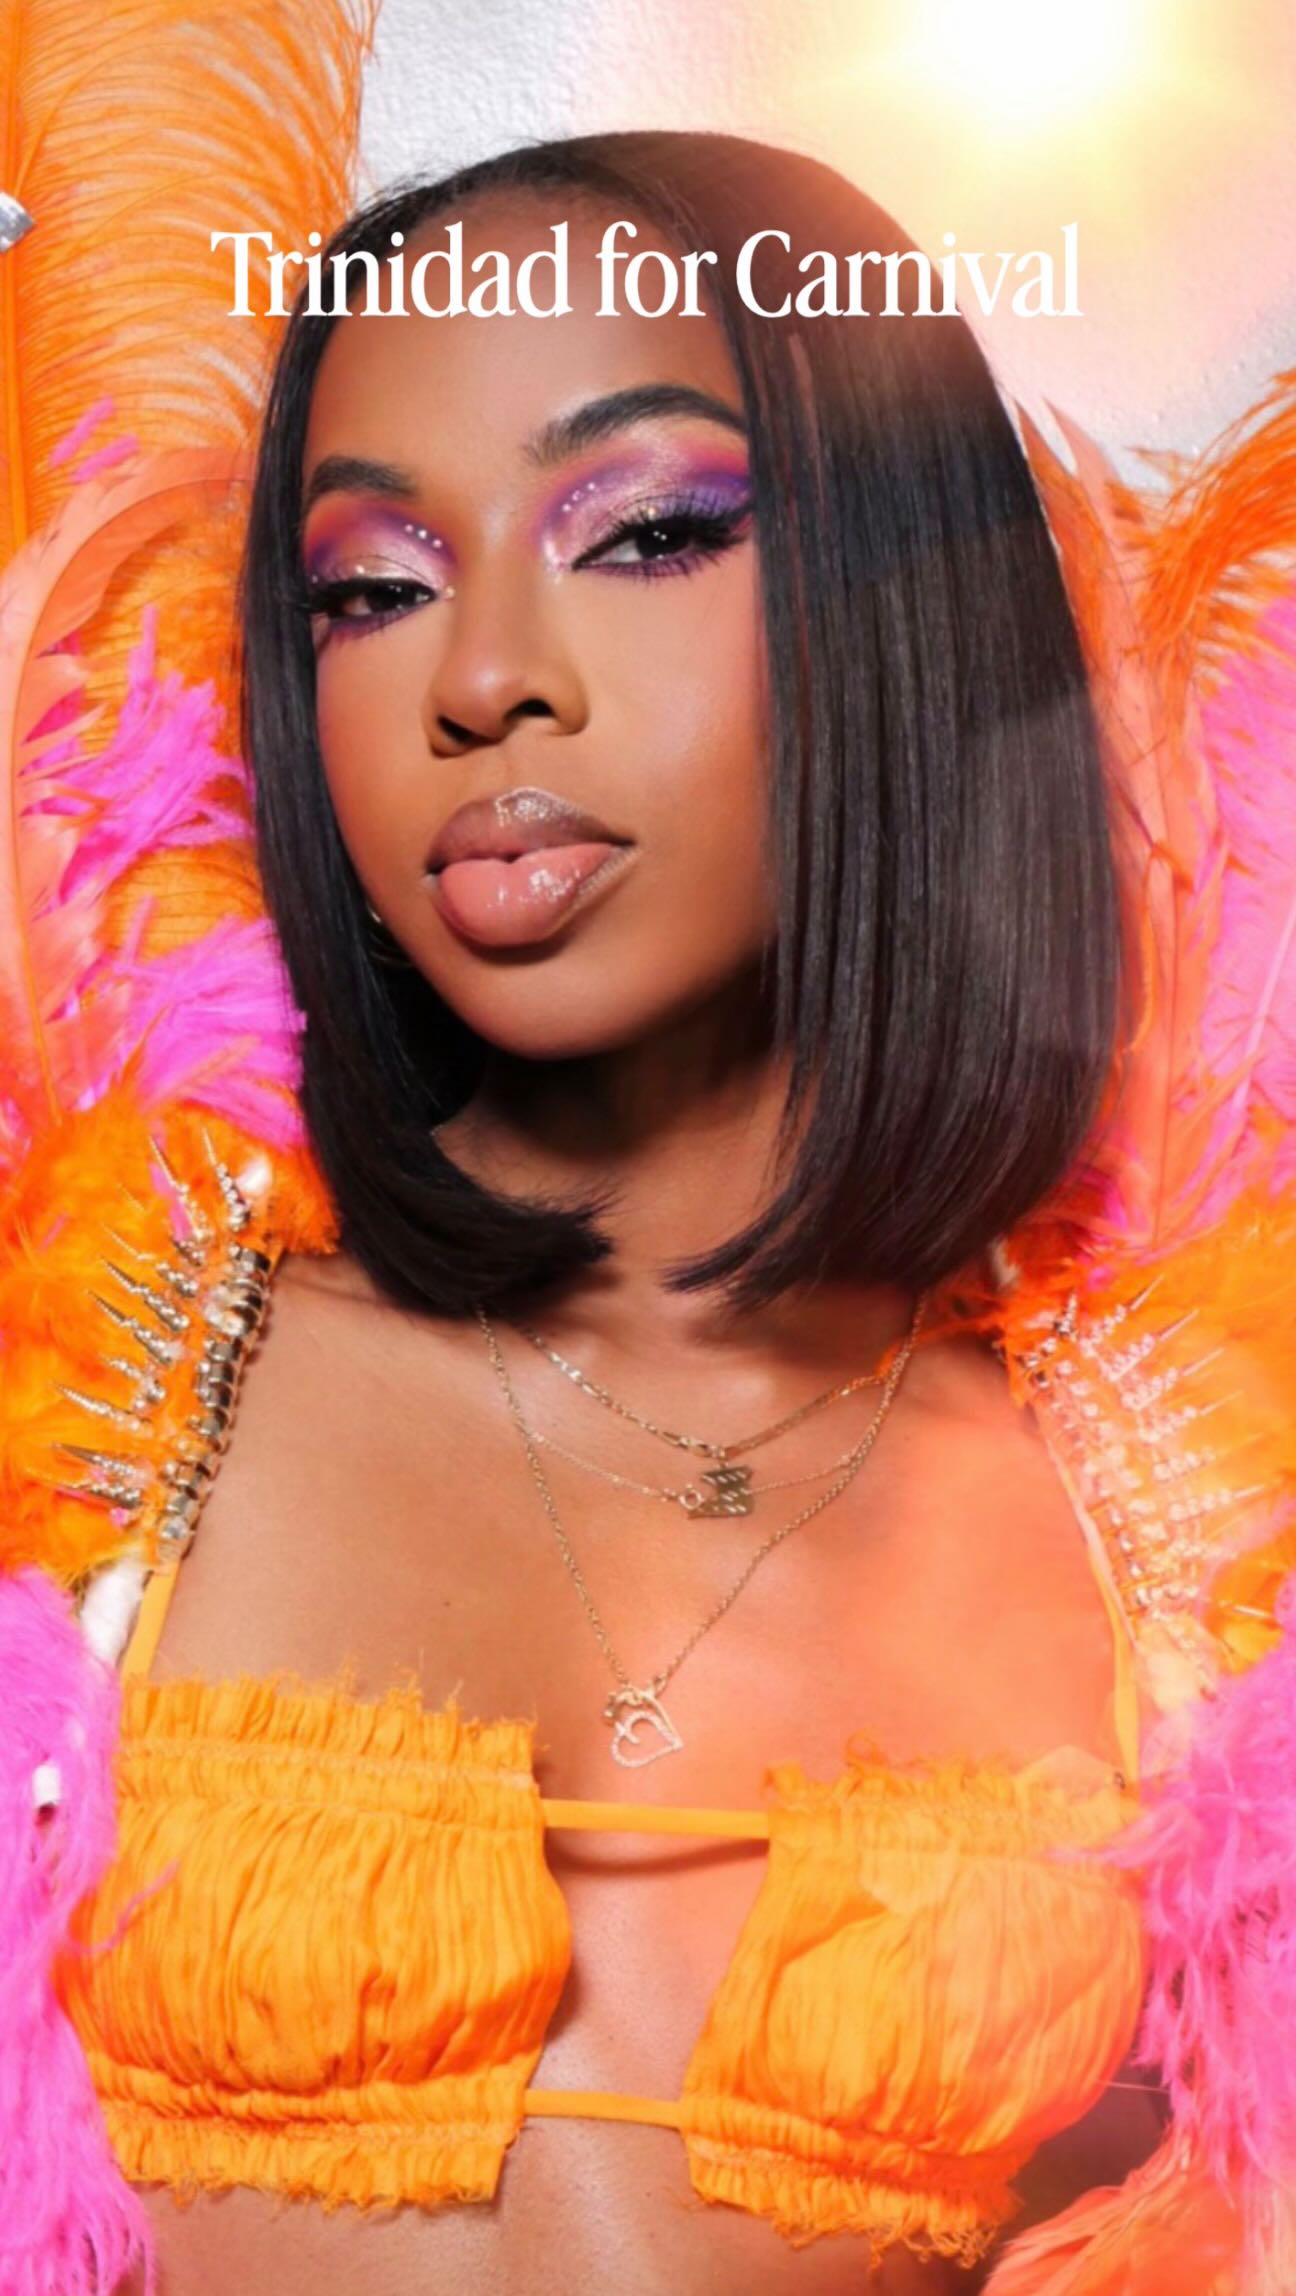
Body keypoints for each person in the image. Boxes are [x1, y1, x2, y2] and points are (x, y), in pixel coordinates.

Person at [2, 132, 1293, 2296]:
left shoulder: (1171, 1554)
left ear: (900, 602)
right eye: (372, 585)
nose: (482, 679)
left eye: (649, 532)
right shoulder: (94, 1431)